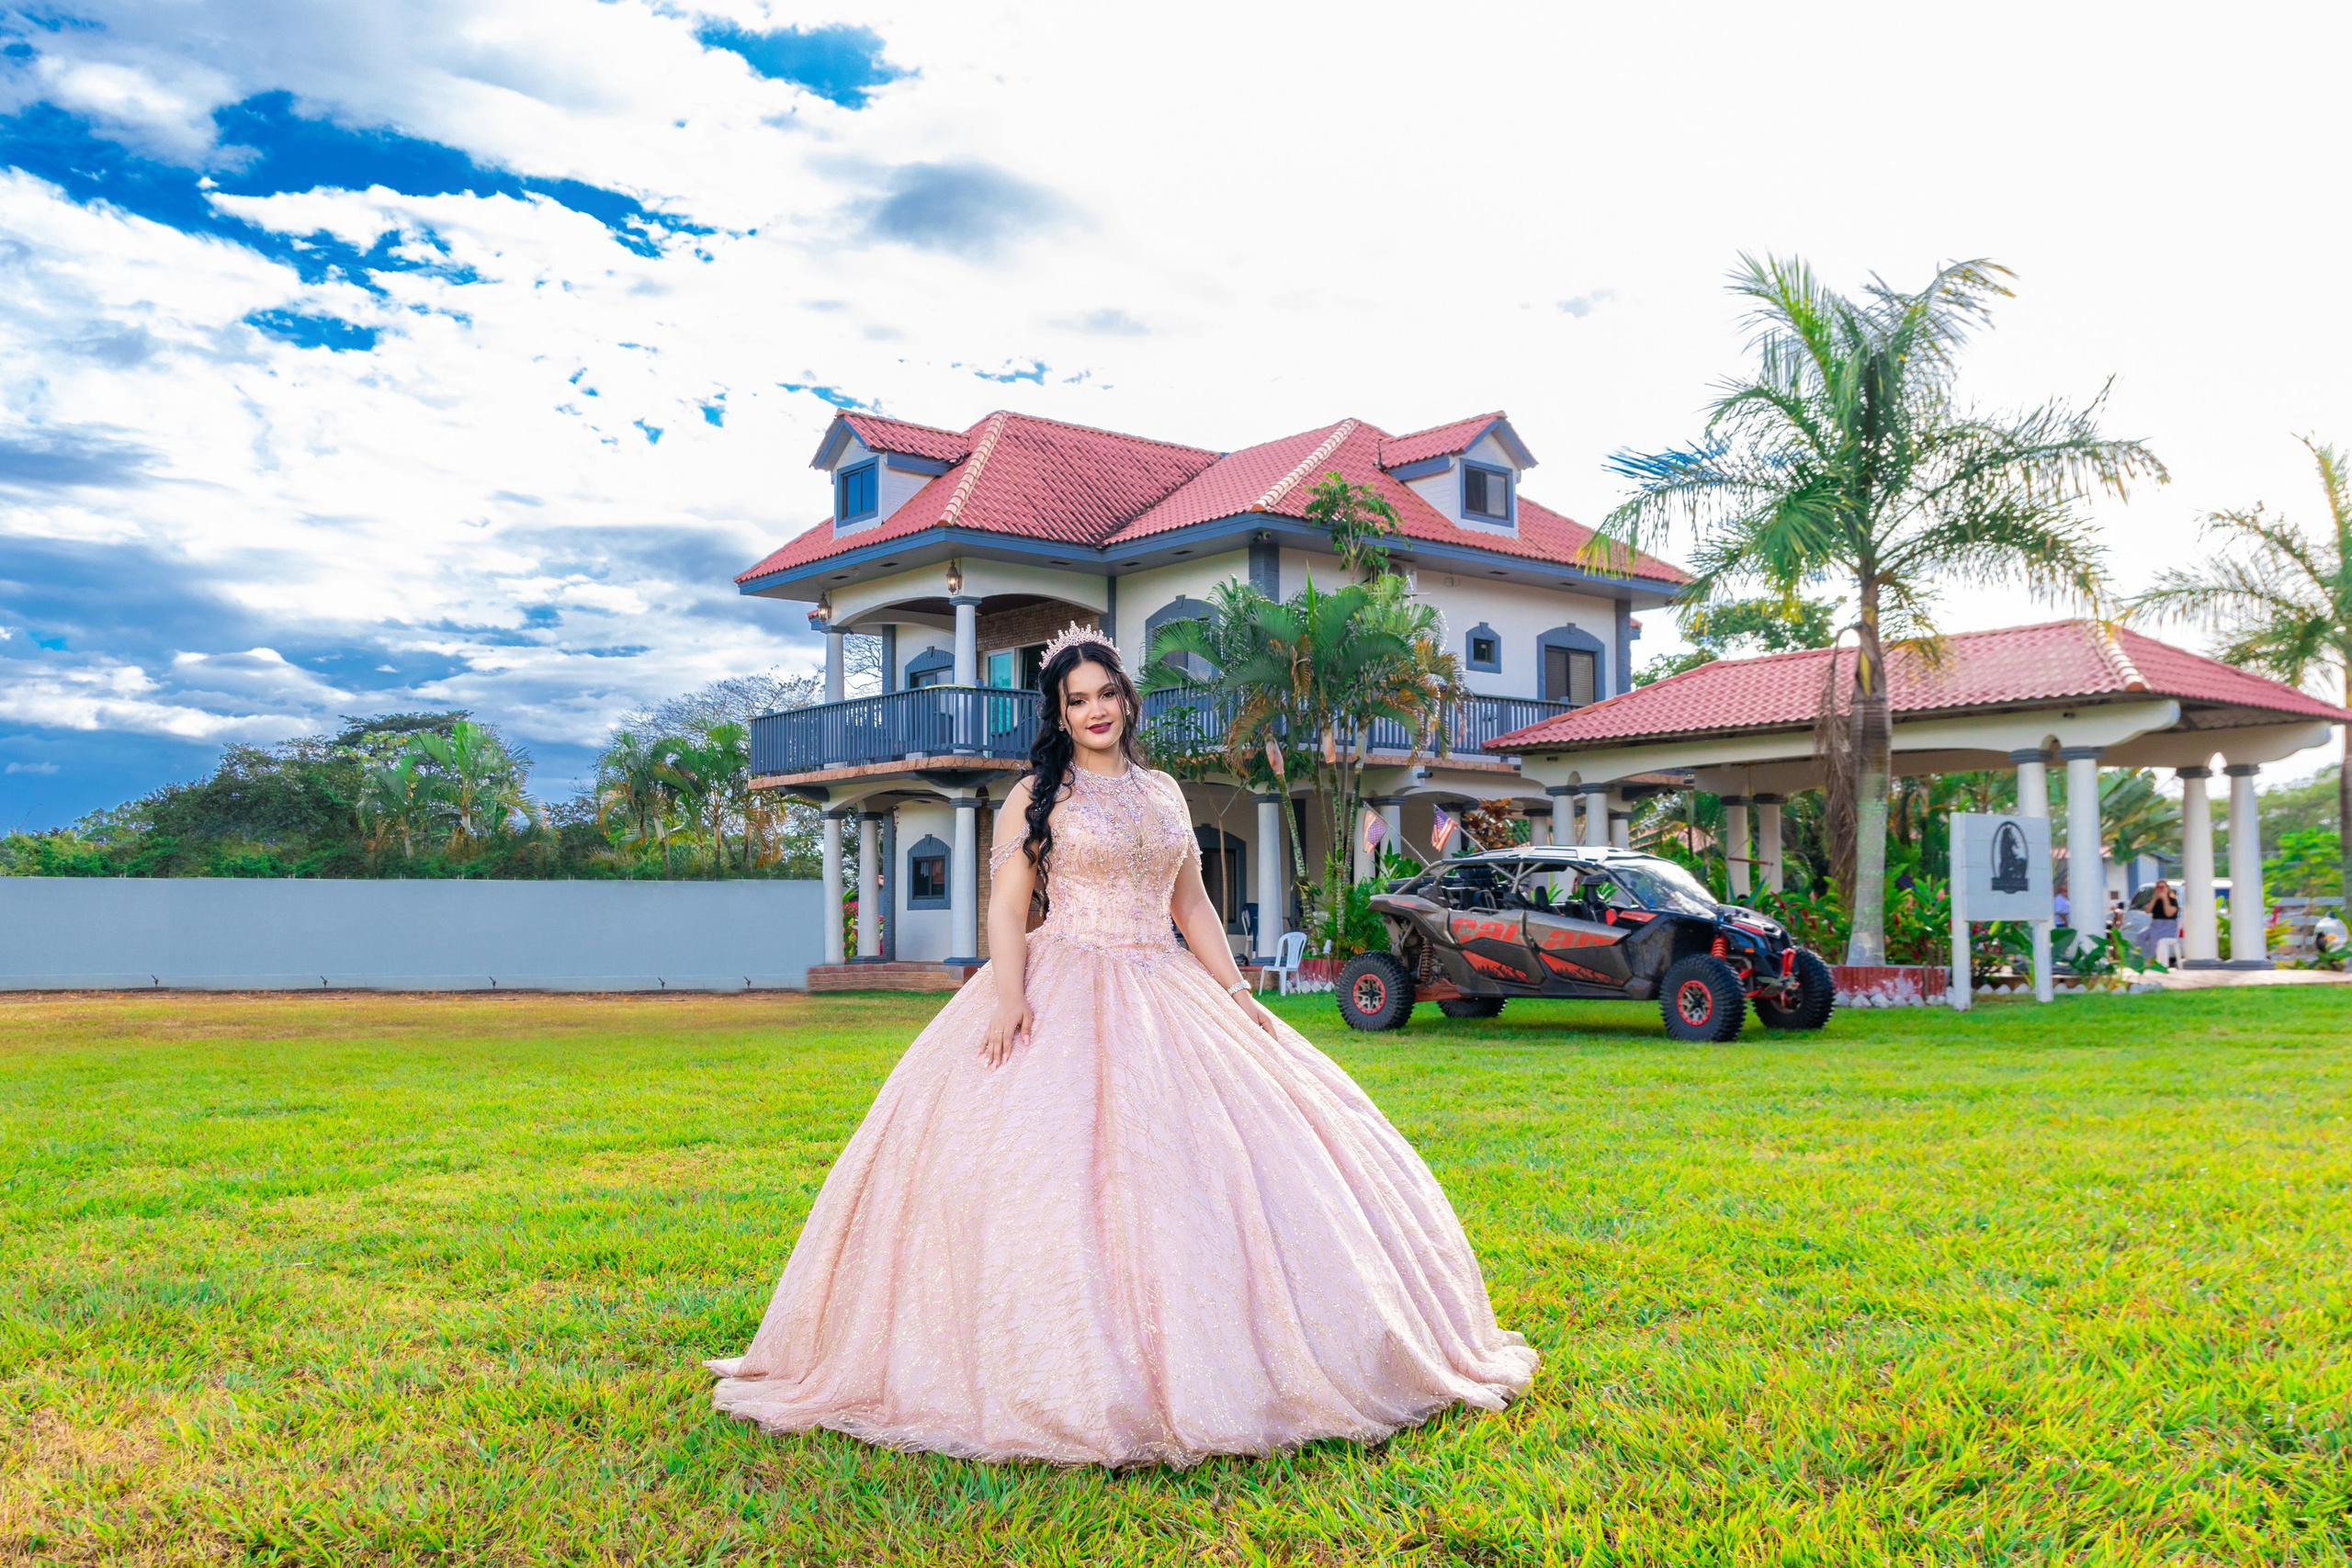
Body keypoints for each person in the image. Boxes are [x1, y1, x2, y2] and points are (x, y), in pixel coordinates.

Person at [706, 626, 1536, 1467]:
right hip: (1064, 974)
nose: (1096, 710)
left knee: (1213, 1163)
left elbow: (1193, 905)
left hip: (1166, 983)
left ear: (1126, 700)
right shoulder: (1037, 794)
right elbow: (1007, 907)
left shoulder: (1164, 791)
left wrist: (1238, 994)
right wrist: (1009, 996)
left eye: (1106, 693)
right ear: (1060, 714)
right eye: (1078, 700)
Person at [2146, 877, 2180, 953]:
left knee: (2153, 935)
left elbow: (2169, 914)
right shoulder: (2154, 901)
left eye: (2162, 887)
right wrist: (2154, 898)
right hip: (2155, 925)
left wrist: (2165, 898)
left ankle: (2151, 957)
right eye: (2158, 887)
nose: (2160, 889)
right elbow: (2147, 911)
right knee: (2141, 936)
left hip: (2168, 927)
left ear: (2167, 888)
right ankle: (2144, 956)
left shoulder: (2172, 901)